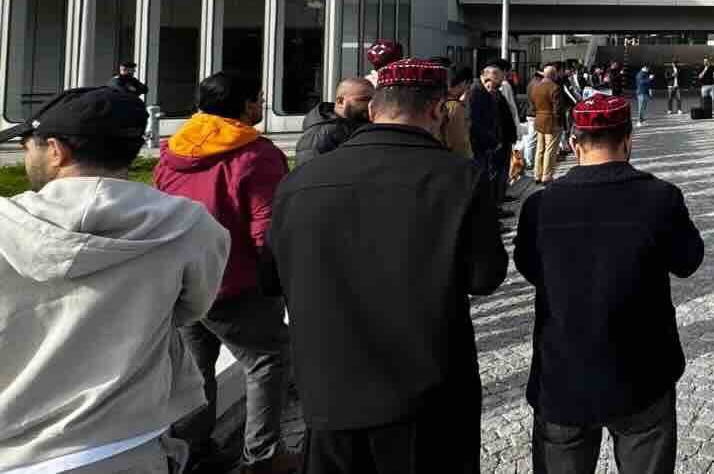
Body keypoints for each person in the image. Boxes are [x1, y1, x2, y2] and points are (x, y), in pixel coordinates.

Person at [264, 58, 508, 473]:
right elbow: (484, 277)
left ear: (374, 110)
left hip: (329, 390)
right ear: (436, 111)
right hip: (426, 392)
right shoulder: (458, 178)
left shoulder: (299, 182)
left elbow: (271, 280)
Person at [0, 88, 228, 474]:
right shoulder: (189, 226)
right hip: (128, 445)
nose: (28, 157)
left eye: (28, 146)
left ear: (55, 150)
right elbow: (191, 309)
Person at [516, 95, 703, 473]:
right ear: (628, 139)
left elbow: (531, 268)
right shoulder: (660, 198)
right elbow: (688, 261)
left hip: (562, 373)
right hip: (642, 372)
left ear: (573, 142)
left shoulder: (540, 207)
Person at [155, 72, 297, 474]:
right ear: (248, 105)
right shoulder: (256, 154)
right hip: (237, 283)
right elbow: (265, 228)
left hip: (183, 280)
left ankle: (194, 454)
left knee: (195, 371)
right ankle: (262, 457)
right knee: (267, 359)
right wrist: (278, 281)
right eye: (259, 99)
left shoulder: (172, 150)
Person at [469, 60, 519, 206]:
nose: (496, 88)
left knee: (497, 175)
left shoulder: (492, 93)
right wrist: (493, 141)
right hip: (485, 145)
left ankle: (497, 202)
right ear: (485, 78)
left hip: (497, 140)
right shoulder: (477, 94)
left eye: (498, 85)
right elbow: (477, 123)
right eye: (495, 84)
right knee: (488, 179)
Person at [295, 77, 375, 163]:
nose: (371, 104)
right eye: (364, 100)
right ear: (340, 101)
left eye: (373, 99)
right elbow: (310, 173)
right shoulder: (316, 138)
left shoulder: (360, 124)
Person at [529, 64, 563, 183]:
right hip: (552, 121)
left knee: (540, 148)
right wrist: (560, 122)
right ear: (553, 75)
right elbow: (557, 108)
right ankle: (547, 176)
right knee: (550, 149)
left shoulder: (536, 87)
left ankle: (537, 175)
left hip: (539, 119)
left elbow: (532, 105)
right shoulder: (554, 88)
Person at [443, 63, 477, 159]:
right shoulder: (455, 107)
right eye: (469, 85)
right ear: (464, 83)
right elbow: (461, 142)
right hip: (455, 161)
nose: (469, 89)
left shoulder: (440, 100)